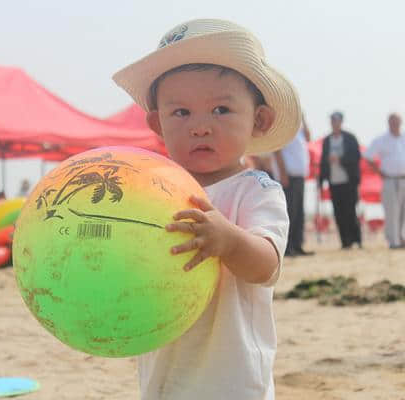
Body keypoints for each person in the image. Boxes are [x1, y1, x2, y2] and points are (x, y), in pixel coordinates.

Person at [113, 19, 300, 399]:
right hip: (164, 370)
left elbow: (267, 266)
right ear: (158, 124)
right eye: (181, 113)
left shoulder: (255, 190)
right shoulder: (151, 190)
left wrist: (229, 242)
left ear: (259, 120)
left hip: (232, 378)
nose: (200, 127)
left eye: (220, 109)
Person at [364, 113, 405, 249]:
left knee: (404, 211)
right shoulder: (382, 140)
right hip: (390, 180)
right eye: (392, 122)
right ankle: (393, 241)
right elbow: (368, 156)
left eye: (397, 122)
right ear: (388, 123)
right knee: (392, 211)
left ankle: (403, 238)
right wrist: (379, 172)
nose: (395, 125)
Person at [318, 111, 362, 249]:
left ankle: (357, 240)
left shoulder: (350, 138)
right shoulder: (326, 141)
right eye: (332, 120)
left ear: (341, 122)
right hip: (334, 182)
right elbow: (323, 161)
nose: (334, 123)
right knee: (338, 213)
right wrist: (321, 181)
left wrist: (340, 159)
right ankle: (345, 242)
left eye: (336, 120)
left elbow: (356, 157)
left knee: (350, 211)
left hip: (349, 182)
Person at [275, 114, 314, 256]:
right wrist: (282, 172)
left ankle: (297, 245)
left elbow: (309, 137)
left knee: (299, 213)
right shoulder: (283, 128)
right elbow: (277, 151)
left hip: (300, 175)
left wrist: (304, 118)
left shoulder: (299, 129)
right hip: (288, 176)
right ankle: (287, 247)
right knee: (289, 212)